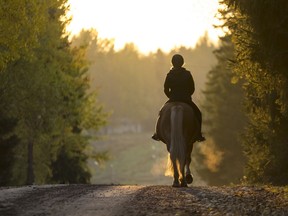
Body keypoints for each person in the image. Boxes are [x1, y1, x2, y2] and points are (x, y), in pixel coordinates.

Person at [152, 54, 205, 142]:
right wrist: (187, 95)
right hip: (186, 99)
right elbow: (192, 88)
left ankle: (157, 134)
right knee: (198, 114)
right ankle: (198, 134)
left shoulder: (169, 75)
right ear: (182, 63)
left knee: (161, 113)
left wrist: (171, 97)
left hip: (173, 99)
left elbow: (165, 89)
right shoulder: (187, 74)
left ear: (172, 63)